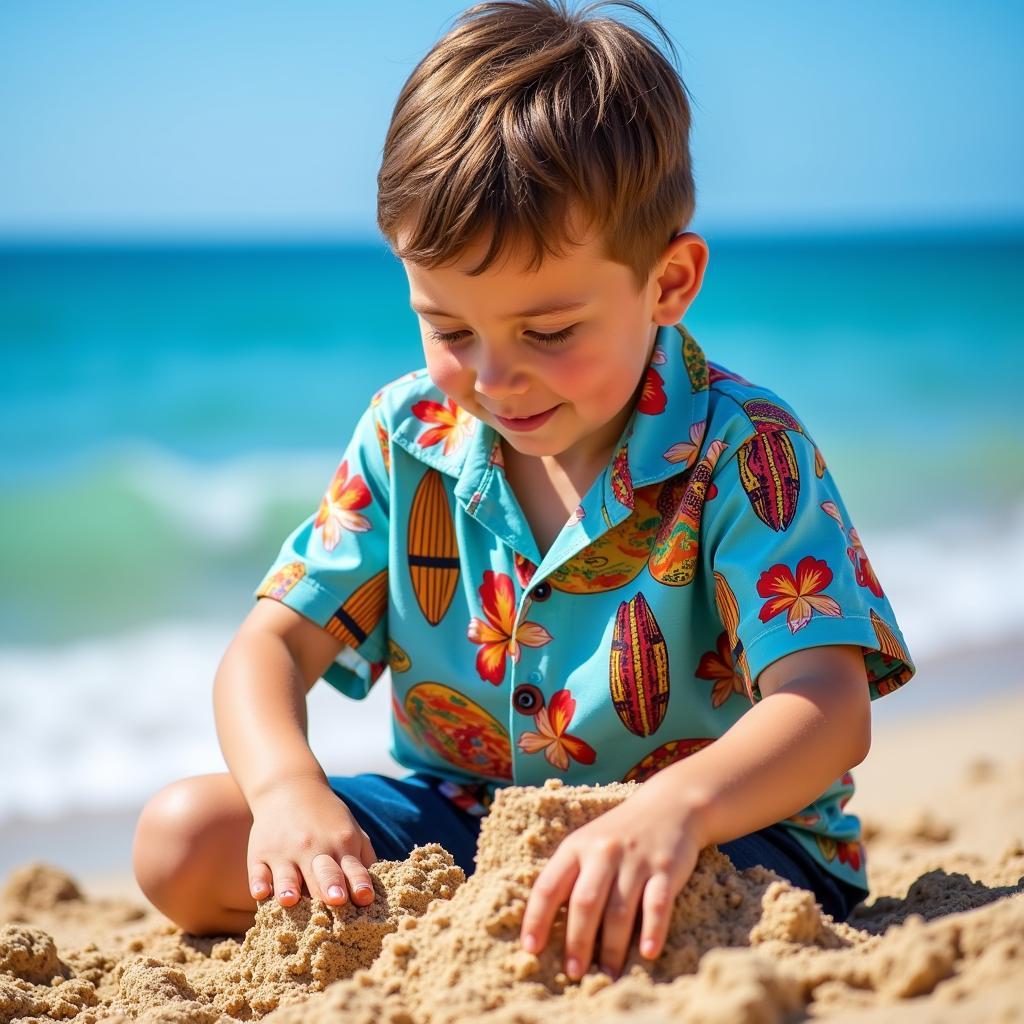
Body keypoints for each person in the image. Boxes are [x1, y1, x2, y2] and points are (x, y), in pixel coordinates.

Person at [133, 0, 914, 982]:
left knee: (634, 921)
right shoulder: (405, 436)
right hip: (466, 819)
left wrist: (672, 809)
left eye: (547, 332)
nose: (494, 378)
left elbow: (827, 705)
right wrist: (289, 787)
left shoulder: (741, 447)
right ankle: (510, 919)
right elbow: (272, 644)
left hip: (719, 831)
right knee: (183, 839)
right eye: (451, 330)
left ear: (668, 283)